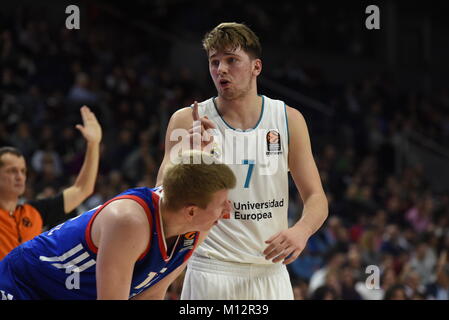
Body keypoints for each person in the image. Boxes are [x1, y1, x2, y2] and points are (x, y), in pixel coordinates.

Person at [156, 22, 328, 299]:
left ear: (256, 67)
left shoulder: (289, 119)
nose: (220, 69)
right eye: (214, 62)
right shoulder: (187, 120)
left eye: (231, 60)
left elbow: (316, 197)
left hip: (271, 271)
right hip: (211, 269)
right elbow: (162, 199)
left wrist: (301, 231)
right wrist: (190, 158)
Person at [0, 150, 236, 300]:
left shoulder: (198, 227)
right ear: (191, 211)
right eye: (221, 204)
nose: (228, 211)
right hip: (25, 285)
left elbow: (152, 293)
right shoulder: (129, 222)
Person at [0, 106, 102, 260]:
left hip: (28, 283)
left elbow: (82, 189)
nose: (20, 176)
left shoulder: (34, 212)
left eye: (23, 171)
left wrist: (93, 144)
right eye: (12, 171)